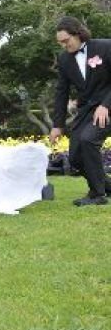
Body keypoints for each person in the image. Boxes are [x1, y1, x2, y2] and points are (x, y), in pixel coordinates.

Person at [49, 15, 111, 206]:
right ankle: (107, 186)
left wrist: (106, 105)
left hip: (107, 106)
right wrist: (57, 125)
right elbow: (61, 92)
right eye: (60, 43)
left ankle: (97, 194)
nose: (64, 46)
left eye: (66, 41)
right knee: (75, 156)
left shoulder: (105, 47)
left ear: (78, 34)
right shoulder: (64, 59)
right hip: (86, 110)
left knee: (88, 140)